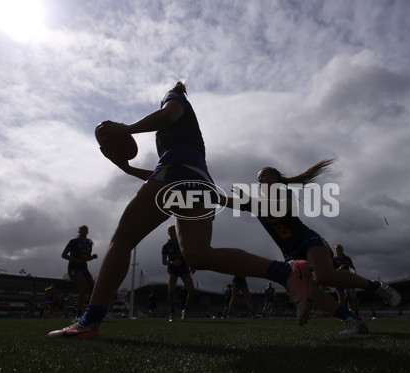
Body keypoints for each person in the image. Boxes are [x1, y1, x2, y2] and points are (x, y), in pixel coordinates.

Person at [49, 82, 311, 339]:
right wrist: (128, 169)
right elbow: (164, 173)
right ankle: (287, 272)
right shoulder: (181, 136)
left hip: (179, 174)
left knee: (123, 239)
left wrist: (125, 128)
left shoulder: (173, 98)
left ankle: (90, 321)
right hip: (197, 180)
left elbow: (168, 119)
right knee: (198, 255)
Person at [220, 159, 402, 334]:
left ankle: (376, 287)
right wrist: (203, 194)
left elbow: (284, 208)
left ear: (275, 178)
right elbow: (223, 200)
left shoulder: (284, 192)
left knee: (324, 277)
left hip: (308, 241)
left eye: (264, 176)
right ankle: (352, 320)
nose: (259, 180)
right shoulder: (254, 203)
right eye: (258, 178)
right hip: (290, 253)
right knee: (306, 289)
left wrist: (250, 199)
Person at [61, 225, 98, 321]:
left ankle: (90, 312)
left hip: (84, 268)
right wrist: (75, 260)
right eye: (82, 229)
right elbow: (64, 255)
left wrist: (92, 257)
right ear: (79, 231)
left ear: (88, 232)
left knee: (93, 290)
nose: (84, 231)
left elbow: (86, 258)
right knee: (84, 288)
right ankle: (77, 312)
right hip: (74, 267)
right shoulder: (73, 242)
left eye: (86, 230)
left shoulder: (89, 243)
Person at [162, 224, 195, 322]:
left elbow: (189, 255)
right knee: (171, 290)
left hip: (184, 268)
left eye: (173, 230)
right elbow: (163, 262)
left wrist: (192, 265)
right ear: (168, 233)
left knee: (191, 290)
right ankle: (172, 313)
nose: (171, 232)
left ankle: (185, 311)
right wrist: (172, 263)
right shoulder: (166, 246)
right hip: (173, 270)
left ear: (176, 232)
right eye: (170, 231)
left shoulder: (183, 243)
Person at [333, 244, 360, 316]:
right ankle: (341, 314)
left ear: (342, 249)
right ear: (335, 250)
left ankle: (357, 314)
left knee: (353, 297)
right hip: (339, 281)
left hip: (348, 279)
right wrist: (339, 268)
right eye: (336, 249)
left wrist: (354, 272)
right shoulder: (334, 260)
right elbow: (332, 271)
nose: (338, 250)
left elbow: (352, 267)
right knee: (341, 300)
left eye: (339, 248)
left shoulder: (347, 258)